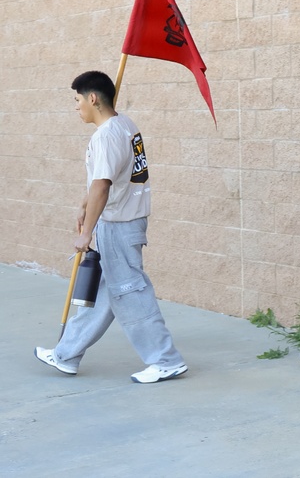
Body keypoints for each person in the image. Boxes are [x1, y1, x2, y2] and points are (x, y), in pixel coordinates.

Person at [34, 71, 187, 384]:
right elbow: (108, 180)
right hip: (120, 221)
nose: (76, 107)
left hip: (118, 225)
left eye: (77, 100)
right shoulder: (125, 125)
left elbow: (103, 187)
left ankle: (166, 360)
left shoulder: (105, 136)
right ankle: (66, 354)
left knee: (131, 293)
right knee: (101, 294)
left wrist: (85, 232)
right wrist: (84, 204)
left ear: (92, 98)